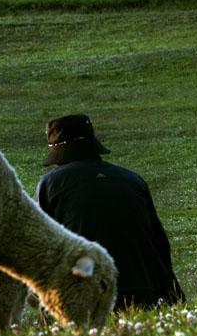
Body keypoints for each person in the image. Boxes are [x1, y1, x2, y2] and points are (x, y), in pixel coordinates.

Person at [35, 114, 185, 310]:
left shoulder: (50, 185)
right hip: (146, 292)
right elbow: (159, 242)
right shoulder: (132, 179)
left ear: (59, 155)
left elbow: (37, 248)